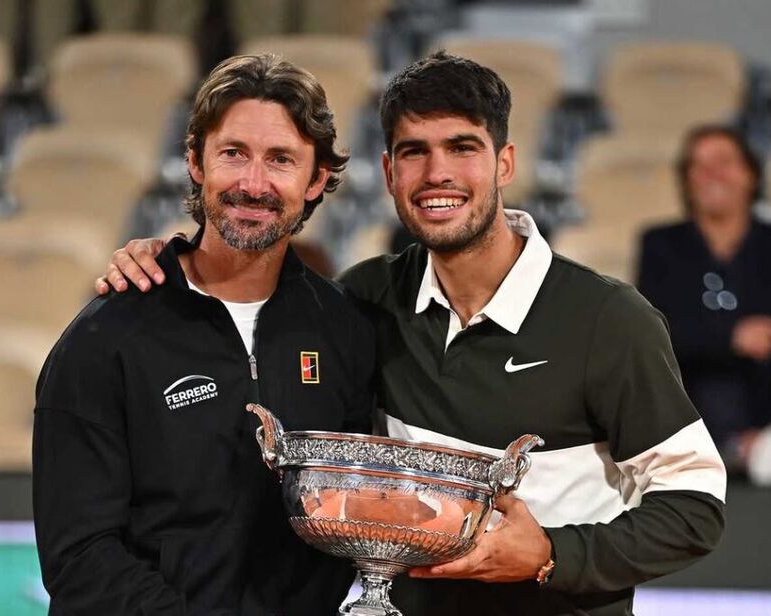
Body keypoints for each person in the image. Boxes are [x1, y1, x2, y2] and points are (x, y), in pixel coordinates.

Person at [98, 51, 726, 616]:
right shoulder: (365, 298)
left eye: (463, 147)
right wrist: (170, 259)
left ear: (504, 161)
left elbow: (695, 504)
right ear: (389, 171)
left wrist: (553, 555)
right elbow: (241, 283)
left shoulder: (608, 319)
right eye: (414, 152)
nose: (437, 174)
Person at [34, 54, 375, 616]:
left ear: (316, 180)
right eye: (233, 153)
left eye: (281, 160)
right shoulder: (105, 338)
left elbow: (343, 525)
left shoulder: (345, 332)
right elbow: (79, 554)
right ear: (195, 161)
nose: (253, 183)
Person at [636, 125, 771, 466]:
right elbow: (654, 339)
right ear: (687, 181)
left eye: (723, 161)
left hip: (765, 421)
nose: (711, 174)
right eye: (698, 165)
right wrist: (731, 338)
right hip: (682, 422)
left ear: (751, 174)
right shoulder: (660, 245)